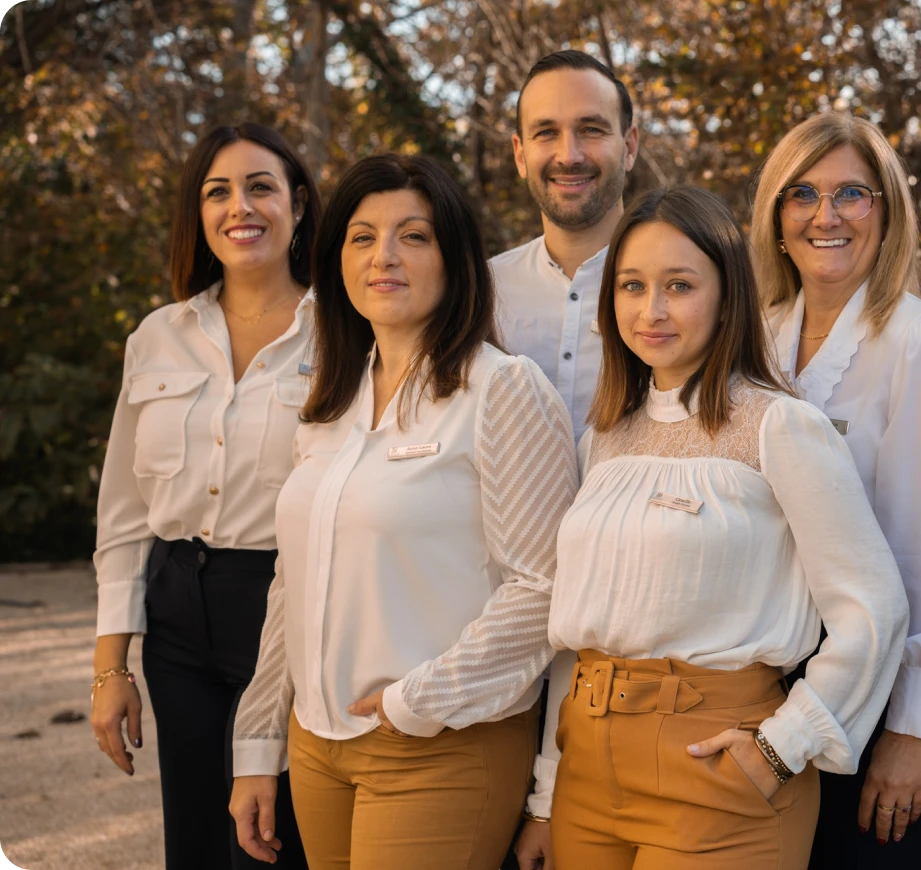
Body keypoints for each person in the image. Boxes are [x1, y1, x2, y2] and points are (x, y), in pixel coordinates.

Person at [513, 185, 909, 870]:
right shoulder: (604, 440)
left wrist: (784, 745)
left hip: (716, 767)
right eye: (632, 286)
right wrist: (546, 797)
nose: (653, 310)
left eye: (680, 285)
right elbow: (576, 637)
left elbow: (873, 608)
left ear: (727, 297)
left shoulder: (779, 427)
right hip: (586, 773)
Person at [227, 154, 578, 868]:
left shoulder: (502, 390)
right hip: (317, 745)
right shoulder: (330, 402)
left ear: (454, 260)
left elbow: (547, 591)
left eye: (413, 237)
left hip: (441, 743)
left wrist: (418, 700)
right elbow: (290, 584)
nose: (384, 256)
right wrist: (258, 744)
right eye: (362, 237)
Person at [749, 112, 921, 866]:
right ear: (776, 216)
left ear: (886, 211)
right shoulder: (749, 339)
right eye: (802, 194)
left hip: (878, 684)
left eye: (851, 193)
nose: (825, 216)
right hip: (758, 681)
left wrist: (913, 728)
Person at [90, 123, 316, 870]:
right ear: (198, 211)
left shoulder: (345, 334)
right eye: (217, 191)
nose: (239, 207)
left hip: (290, 602)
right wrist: (111, 668)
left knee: (272, 838)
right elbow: (123, 513)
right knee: (193, 840)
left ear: (299, 204)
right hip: (177, 607)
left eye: (260, 187)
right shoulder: (158, 335)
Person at [490, 49, 639, 440]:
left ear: (630, 146)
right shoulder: (479, 291)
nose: (569, 156)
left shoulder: (691, 288)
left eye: (591, 129)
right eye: (546, 133)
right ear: (520, 155)